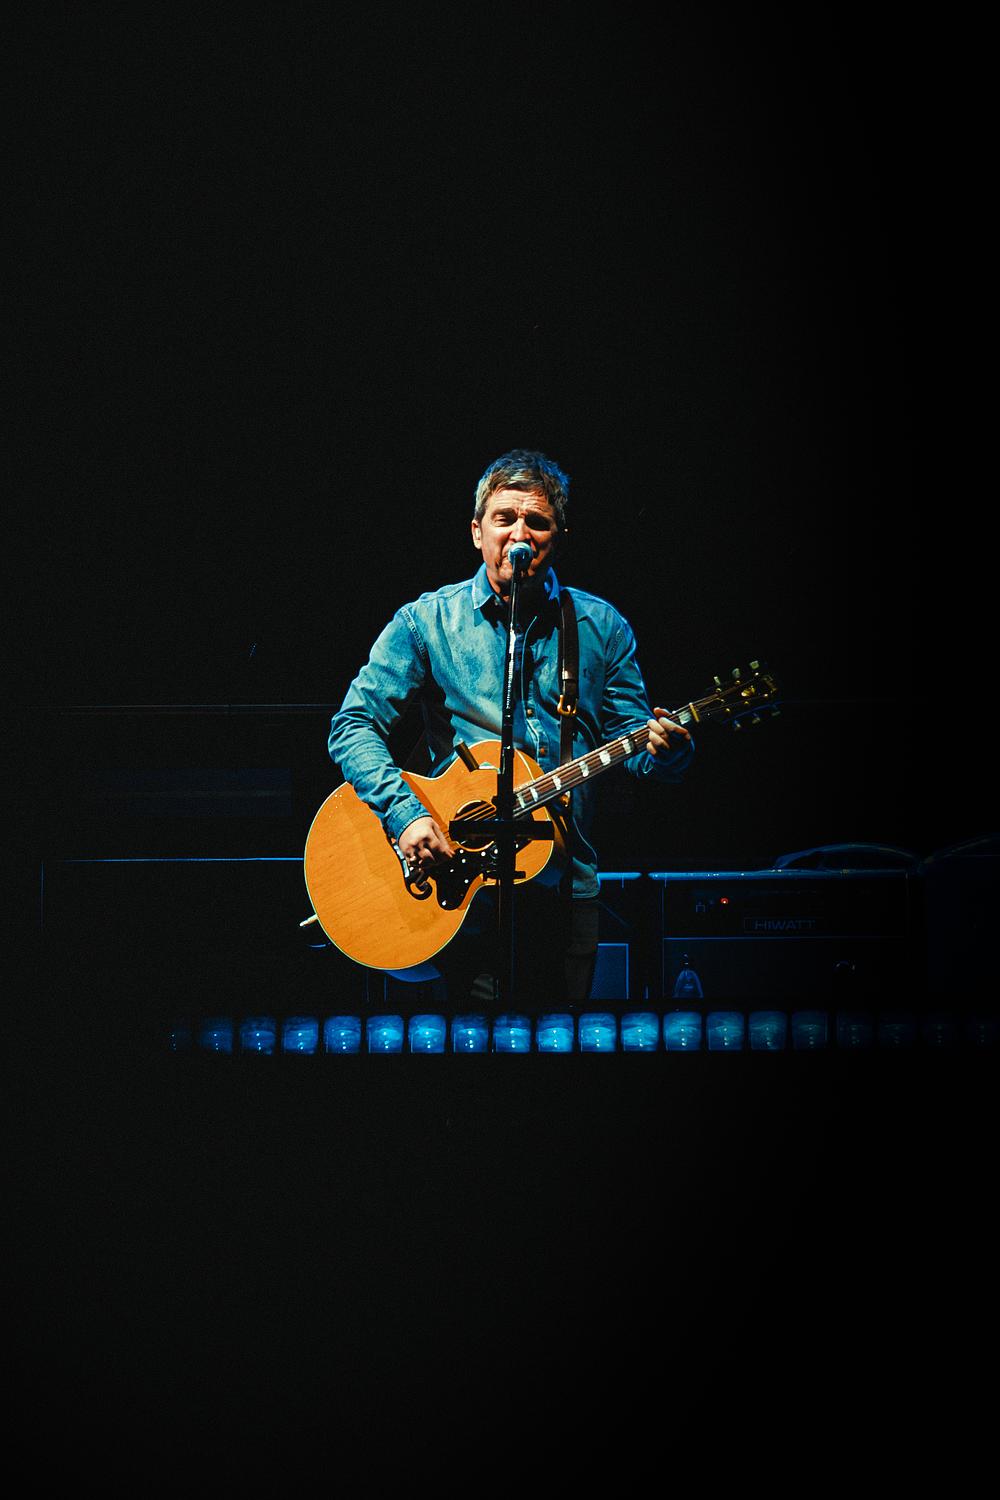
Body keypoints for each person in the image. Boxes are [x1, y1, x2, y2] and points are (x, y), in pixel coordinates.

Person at [327, 449, 693, 1006]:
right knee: (469, 1051)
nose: (520, 534)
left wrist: (667, 752)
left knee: (558, 1048)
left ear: (557, 537)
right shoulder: (427, 621)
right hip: (460, 886)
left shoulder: (602, 627)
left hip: (564, 886)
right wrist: (406, 815)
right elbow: (352, 724)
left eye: (537, 521)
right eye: (504, 519)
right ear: (478, 532)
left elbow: (638, 746)